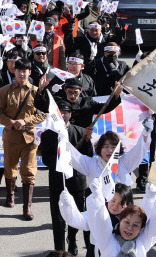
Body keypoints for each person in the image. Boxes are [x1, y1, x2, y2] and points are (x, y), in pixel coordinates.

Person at [0, 59, 46, 220]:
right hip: (11, 136)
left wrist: (26, 121)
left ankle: (26, 208)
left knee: (29, 172)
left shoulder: (37, 91)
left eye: (25, 71)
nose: (22, 74)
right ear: (14, 72)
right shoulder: (4, 91)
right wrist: (11, 123)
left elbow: (43, 113)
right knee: (10, 167)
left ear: (30, 72)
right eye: (19, 71)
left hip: (30, 137)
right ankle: (10, 195)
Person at [38, 100, 93, 254]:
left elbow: (88, 156)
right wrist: (60, 161)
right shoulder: (48, 134)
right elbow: (46, 158)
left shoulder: (81, 132)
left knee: (77, 214)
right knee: (58, 218)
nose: (63, 115)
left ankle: (72, 241)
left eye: (65, 112)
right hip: (57, 181)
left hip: (77, 181)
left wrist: (87, 141)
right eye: (59, 112)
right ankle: (59, 249)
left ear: (71, 114)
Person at [86, 174, 156, 257]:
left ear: (141, 228)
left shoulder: (143, 242)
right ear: (120, 221)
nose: (130, 228)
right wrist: (97, 197)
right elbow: (101, 220)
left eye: (135, 225)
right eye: (127, 222)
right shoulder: (108, 240)